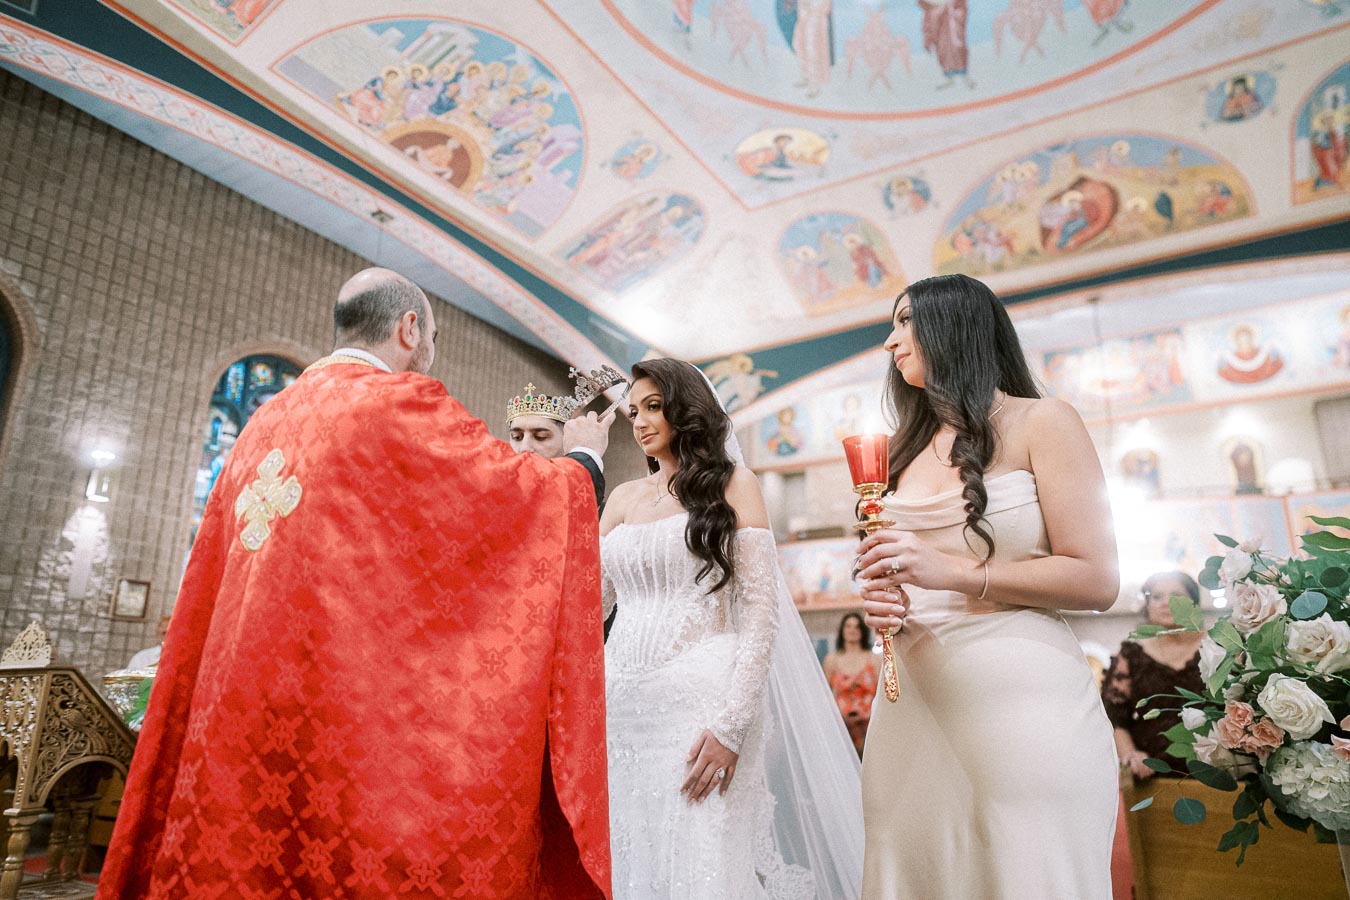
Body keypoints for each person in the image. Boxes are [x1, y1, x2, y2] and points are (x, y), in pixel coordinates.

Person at [98, 268, 613, 900]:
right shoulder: (396, 402)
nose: (430, 353)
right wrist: (584, 459)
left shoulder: (266, 420)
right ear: (408, 329)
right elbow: (507, 504)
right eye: (432, 337)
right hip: (336, 716)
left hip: (241, 709)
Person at [855, 274, 1119, 899]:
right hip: (911, 703)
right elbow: (896, 569)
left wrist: (956, 574)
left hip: (1022, 699)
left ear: (956, 325)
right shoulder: (896, 453)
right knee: (913, 867)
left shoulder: (1042, 422)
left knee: (1026, 868)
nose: (891, 342)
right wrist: (882, 600)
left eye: (904, 322)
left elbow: (1098, 577)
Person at [600, 358, 864, 899]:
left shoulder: (733, 485)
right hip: (621, 713)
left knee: (701, 858)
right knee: (631, 855)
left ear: (685, 408)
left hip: (700, 711)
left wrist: (731, 726)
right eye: (634, 411)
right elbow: (588, 602)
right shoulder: (624, 498)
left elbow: (760, 616)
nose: (641, 422)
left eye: (654, 407)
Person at [1102, 572, 1205, 778]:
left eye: (1176, 595)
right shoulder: (1131, 655)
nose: (1166, 603)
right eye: (1156, 597)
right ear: (1147, 606)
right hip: (1151, 776)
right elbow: (1115, 718)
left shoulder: (1220, 646)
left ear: (1194, 603)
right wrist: (1131, 755)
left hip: (1220, 770)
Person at [823, 612, 877, 756]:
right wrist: (838, 717)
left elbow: (882, 693)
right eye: (848, 626)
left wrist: (870, 715)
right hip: (840, 724)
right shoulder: (831, 660)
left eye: (857, 627)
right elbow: (825, 695)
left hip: (869, 724)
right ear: (842, 630)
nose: (852, 630)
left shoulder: (874, 659)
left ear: (863, 631)